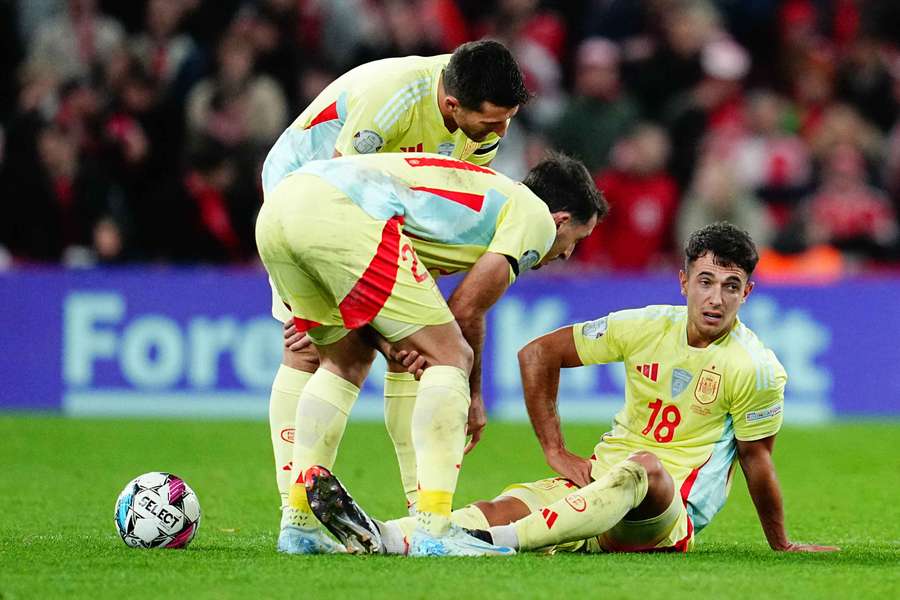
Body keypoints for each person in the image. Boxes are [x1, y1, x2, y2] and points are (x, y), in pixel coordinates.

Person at [304, 222, 839, 556]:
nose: (716, 298)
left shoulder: (756, 367)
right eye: (705, 281)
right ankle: (386, 534)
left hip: (665, 517)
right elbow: (538, 353)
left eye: (730, 286)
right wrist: (555, 450)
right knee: (502, 503)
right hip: (595, 489)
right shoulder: (646, 325)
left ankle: (487, 548)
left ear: (748, 291)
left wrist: (782, 542)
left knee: (645, 466)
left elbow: (757, 461)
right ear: (683, 282)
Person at [256, 150, 605, 556]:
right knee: (452, 357)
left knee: (342, 362)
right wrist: (473, 395)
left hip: (281, 208)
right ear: (560, 220)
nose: (566, 254)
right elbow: (466, 310)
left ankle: (299, 527)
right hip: (342, 214)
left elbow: (379, 316)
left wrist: (393, 344)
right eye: (576, 241)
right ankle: (434, 529)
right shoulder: (535, 219)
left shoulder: (460, 210)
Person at [261, 40, 531, 537]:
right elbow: (341, 187)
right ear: (452, 105)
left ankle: (418, 507)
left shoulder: (482, 128)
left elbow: (441, 211)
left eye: (508, 119)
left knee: (418, 346)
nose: (501, 133)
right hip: (303, 194)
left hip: (380, 211)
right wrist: (372, 325)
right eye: (492, 122)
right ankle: (295, 511)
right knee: (311, 350)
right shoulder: (392, 97)